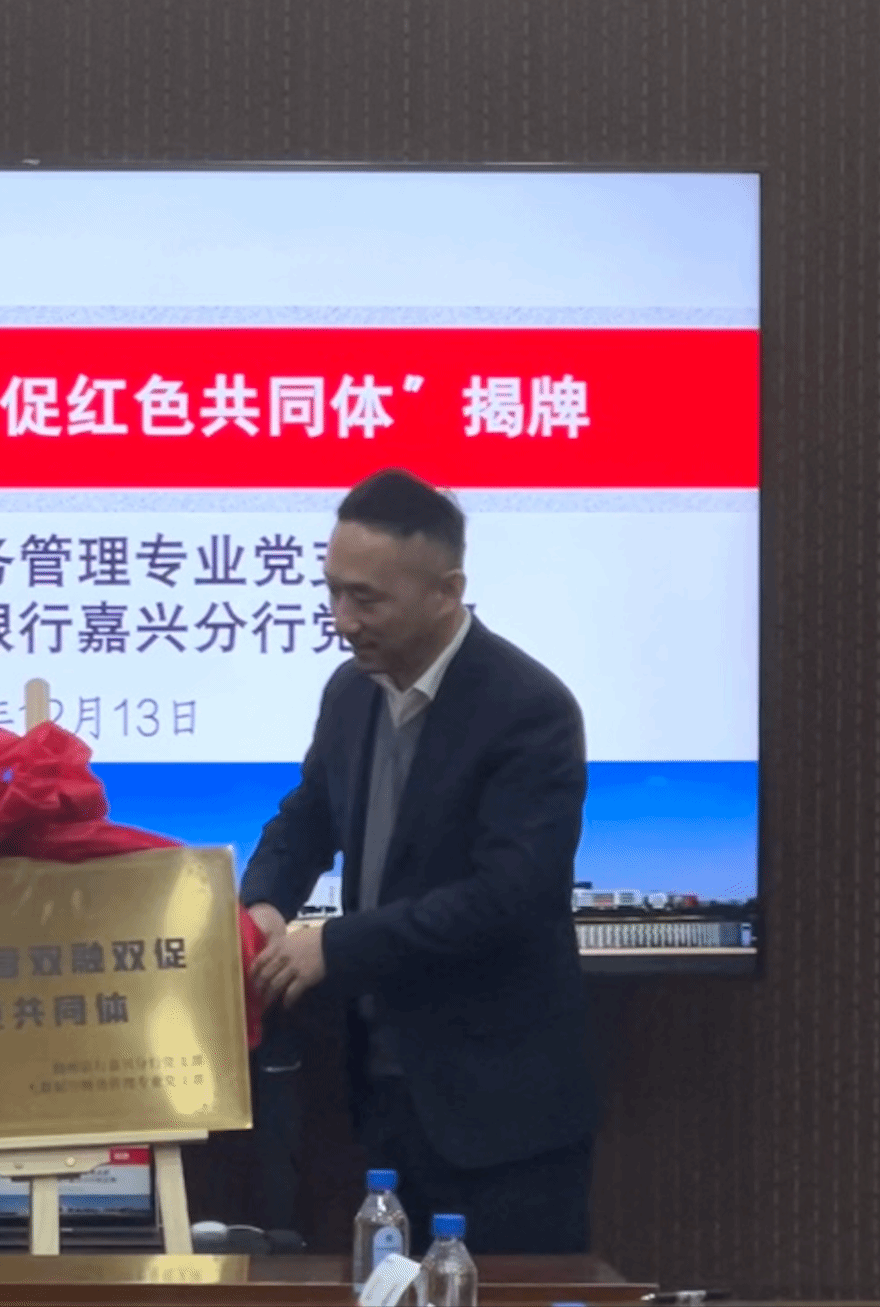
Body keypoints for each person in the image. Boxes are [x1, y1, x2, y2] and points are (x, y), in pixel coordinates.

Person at [242, 469, 598, 1254]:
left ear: (447, 591)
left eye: (367, 599)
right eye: (334, 592)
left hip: (500, 1112)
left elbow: (507, 896)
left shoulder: (528, 709)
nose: (343, 620)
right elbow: (307, 817)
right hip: (378, 1095)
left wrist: (335, 945)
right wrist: (264, 902)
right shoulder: (350, 693)